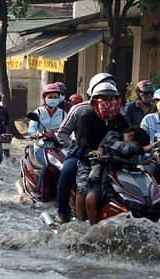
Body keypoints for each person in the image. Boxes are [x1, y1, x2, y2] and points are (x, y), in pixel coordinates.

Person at [53, 72, 117, 226]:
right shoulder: (79, 110)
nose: (108, 100)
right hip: (81, 154)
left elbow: (125, 133)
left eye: (111, 94)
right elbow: (62, 133)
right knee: (67, 172)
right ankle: (62, 213)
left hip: (109, 155)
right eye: (103, 95)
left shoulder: (117, 111)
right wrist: (79, 149)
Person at [73, 82, 129, 224]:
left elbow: (129, 135)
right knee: (82, 187)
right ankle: (81, 223)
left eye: (112, 99)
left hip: (113, 161)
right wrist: (91, 151)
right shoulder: (88, 117)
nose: (109, 103)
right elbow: (82, 138)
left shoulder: (119, 119)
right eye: (104, 99)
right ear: (94, 100)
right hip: (89, 160)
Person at [85, 125, 150, 224]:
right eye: (135, 146)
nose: (135, 150)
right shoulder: (111, 137)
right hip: (101, 178)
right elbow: (124, 149)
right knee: (90, 199)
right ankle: (93, 228)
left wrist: (152, 155)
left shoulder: (133, 149)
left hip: (124, 178)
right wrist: (143, 149)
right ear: (130, 135)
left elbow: (140, 156)